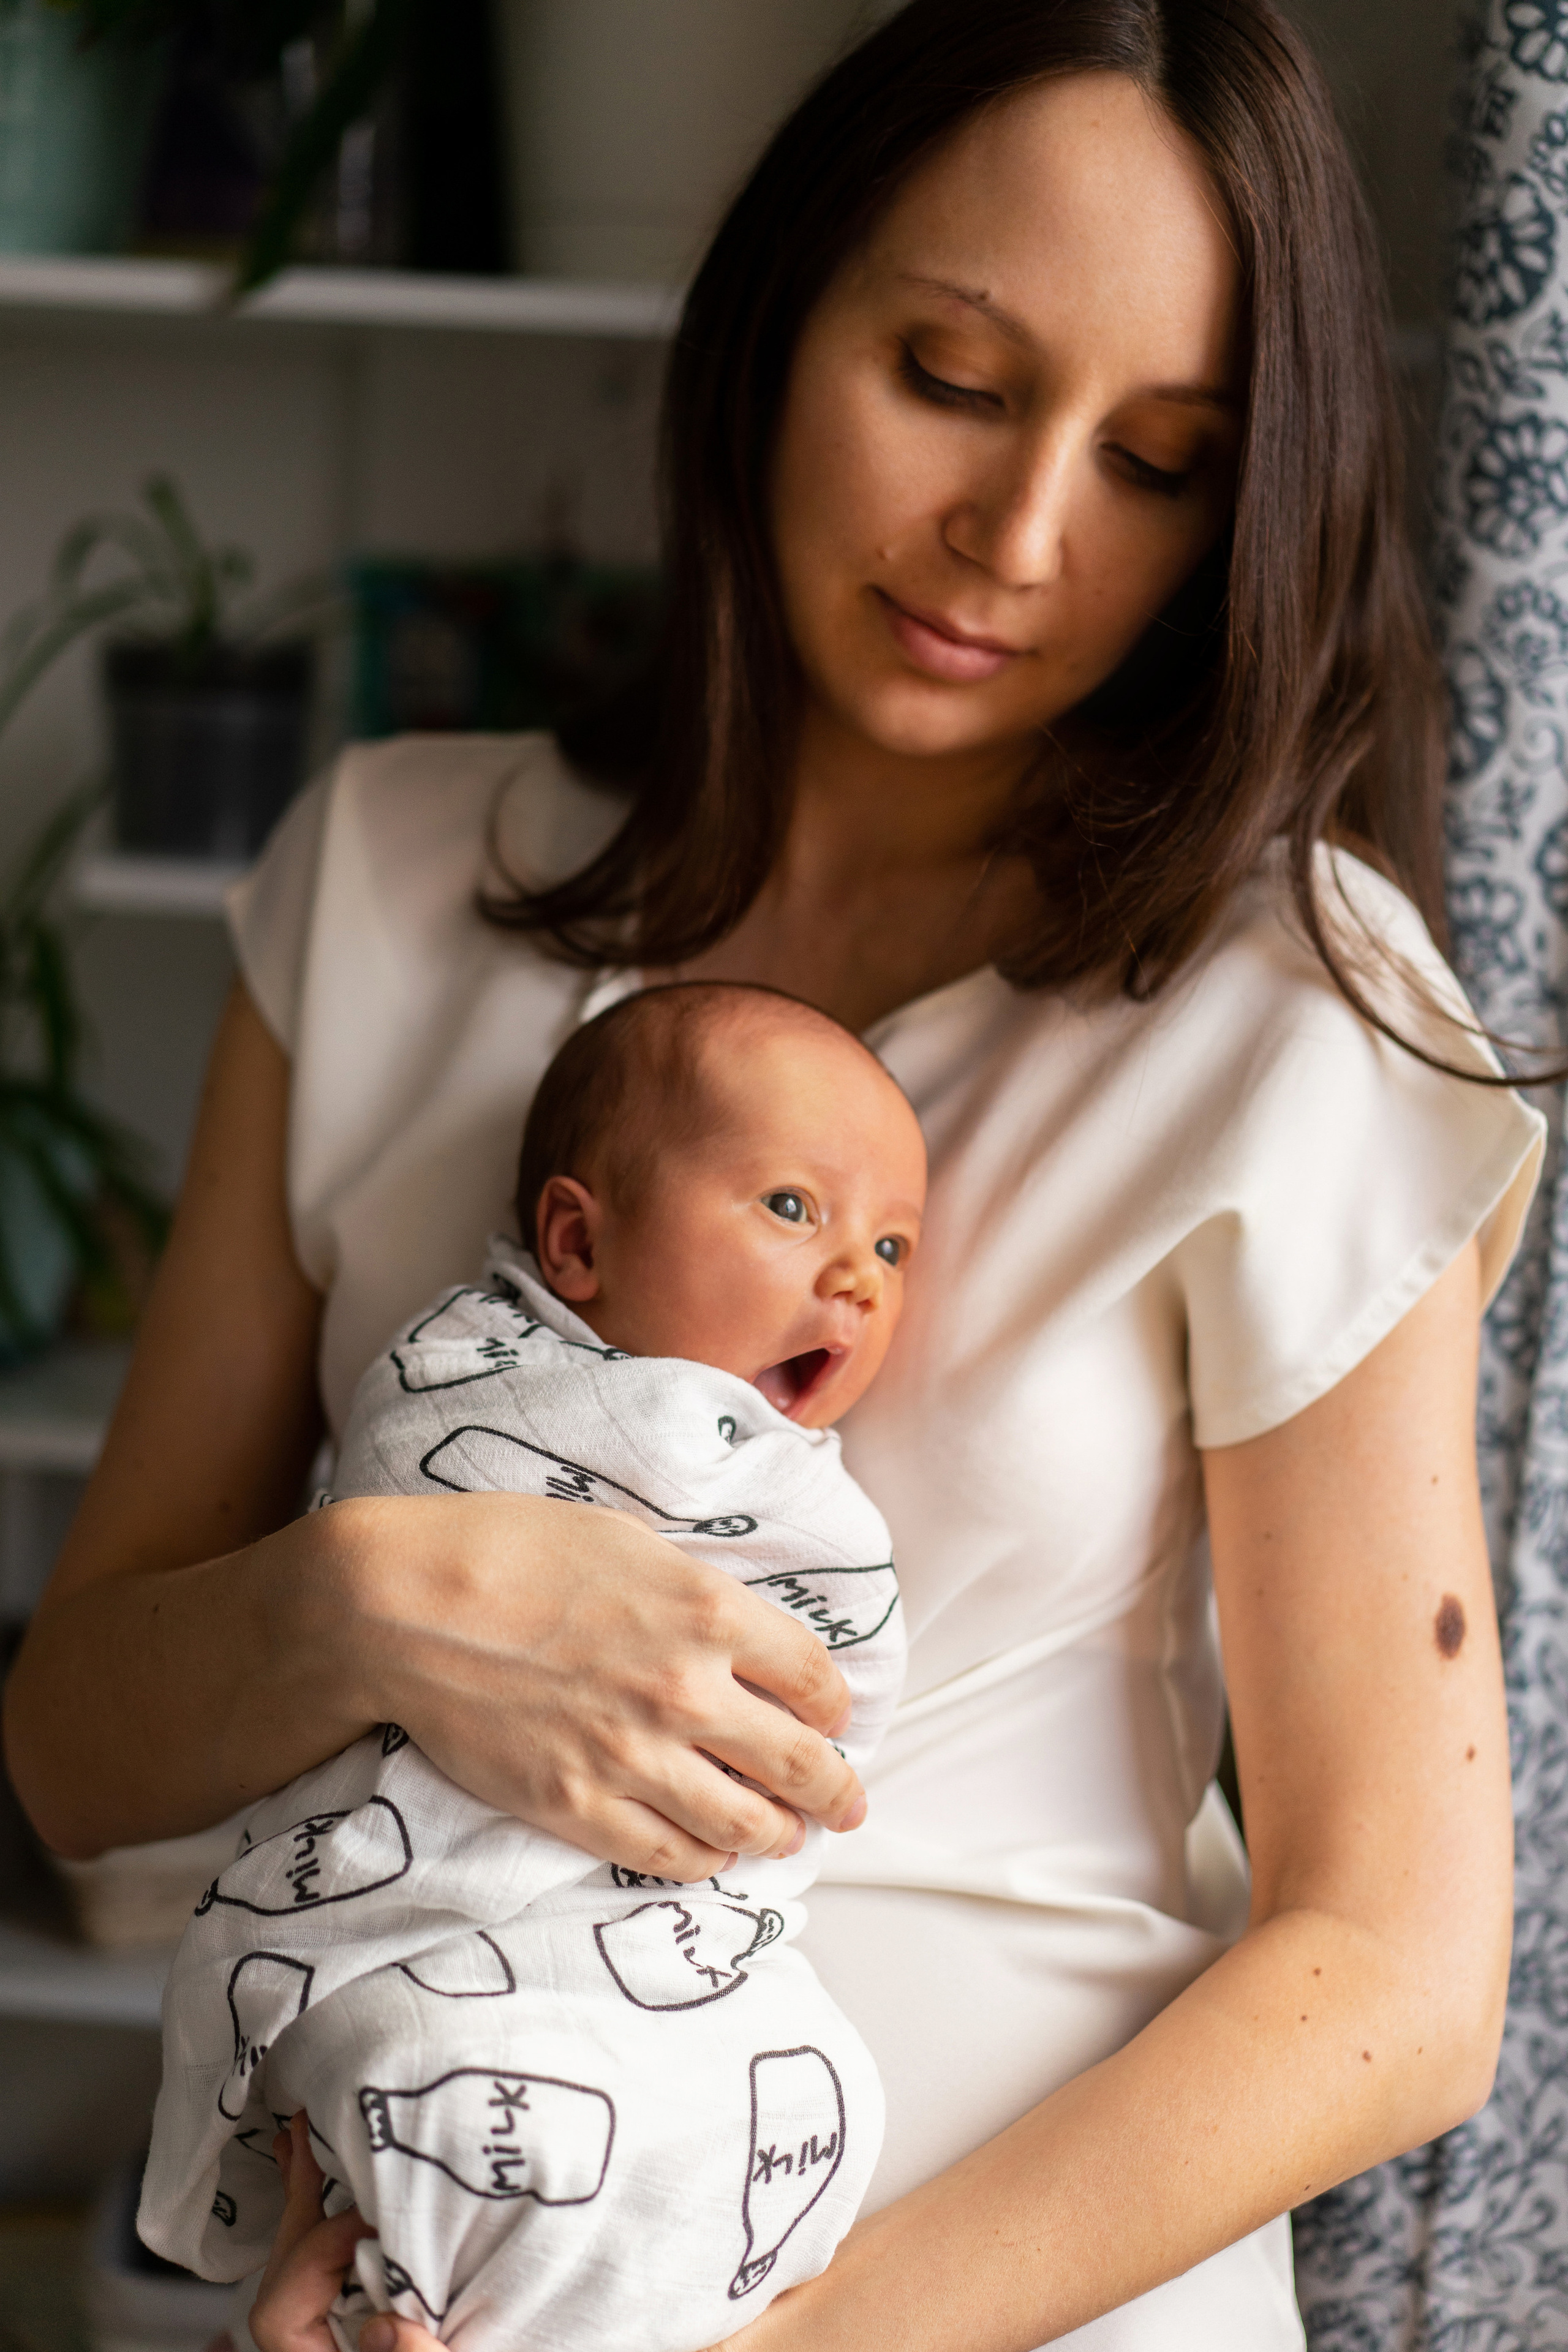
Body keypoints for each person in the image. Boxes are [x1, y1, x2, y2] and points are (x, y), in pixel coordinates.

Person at [1, 1, 1545, 2344]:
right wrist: (384, 1596)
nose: (1021, 536)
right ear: (775, 315)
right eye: (950, 376)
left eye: (1159, 461)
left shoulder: (1293, 1016)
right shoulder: (390, 883)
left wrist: (767, 2343)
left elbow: (1402, 1973)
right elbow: (72, 1752)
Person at [138, 982, 923, 2349]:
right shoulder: (471, 1378)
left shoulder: (794, 1488)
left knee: (817, 2098)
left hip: (671, 1933)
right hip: (438, 1913)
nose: (856, 1275)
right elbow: (401, 1492)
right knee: (459, 2086)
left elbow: (832, 1677)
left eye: (893, 1244)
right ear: (576, 1240)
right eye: (793, 1208)